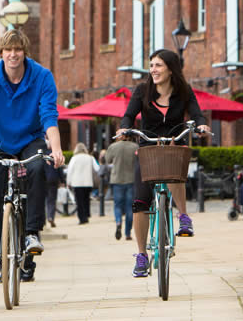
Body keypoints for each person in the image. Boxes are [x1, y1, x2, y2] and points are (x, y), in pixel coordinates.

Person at [0, 28, 65, 282]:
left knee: (38, 168)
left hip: (31, 140)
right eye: (8, 50)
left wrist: (56, 147)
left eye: (18, 49)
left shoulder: (42, 76)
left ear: (24, 52)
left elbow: (49, 115)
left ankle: (31, 233)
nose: (13, 54)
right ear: (1, 53)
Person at [117, 48, 211, 278]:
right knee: (140, 201)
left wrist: (201, 125)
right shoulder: (142, 91)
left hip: (172, 144)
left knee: (174, 166)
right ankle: (141, 255)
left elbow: (197, 114)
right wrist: (123, 127)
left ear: (170, 69)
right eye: (151, 66)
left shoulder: (184, 91)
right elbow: (129, 115)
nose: (153, 70)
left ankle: (184, 216)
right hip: (148, 147)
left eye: (158, 65)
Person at [106, 134, 137, 240]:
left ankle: (118, 222)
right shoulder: (135, 147)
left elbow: (107, 160)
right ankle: (128, 233)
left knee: (118, 205)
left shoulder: (113, 147)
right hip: (131, 179)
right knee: (130, 207)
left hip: (117, 179)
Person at [66, 143, 98, 224]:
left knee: (79, 202)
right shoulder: (90, 158)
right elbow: (97, 168)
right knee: (86, 200)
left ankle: (82, 218)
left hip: (77, 183)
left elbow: (70, 171)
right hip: (88, 182)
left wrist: (68, 182)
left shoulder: (74, 158)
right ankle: (87, 215)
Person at [44, 158, 62, 227]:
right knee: (51, 200)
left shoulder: (40, 153)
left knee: (42, 201)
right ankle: (50, 217)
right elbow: (59, 169)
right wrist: (62, 180)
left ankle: (43, 221)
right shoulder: (55, 155)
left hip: (43, 179)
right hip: (53, 180)